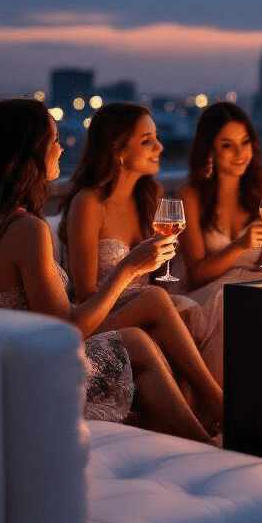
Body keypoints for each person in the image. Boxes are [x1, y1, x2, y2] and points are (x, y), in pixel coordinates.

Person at [0, 98, 221, 442]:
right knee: (142, 329)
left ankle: (203, 430)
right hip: (36, 374)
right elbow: (66, 331)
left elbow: (53, 319)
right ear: (30, 152)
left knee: (148, 318)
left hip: (13, 362)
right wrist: (127, 269)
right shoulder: (26, 228)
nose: (61, 149)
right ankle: (209, 437)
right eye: (54, 141)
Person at [58, 102, 214, 367]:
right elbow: (85, 294)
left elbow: (157, 278)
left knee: (183, 313)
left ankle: (202, 405)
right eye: (147, 141)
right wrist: (142, 300)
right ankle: (217, 400)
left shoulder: (151, 196)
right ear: (118, 150)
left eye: (157, 138)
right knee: (156, 300)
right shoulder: (89, 203)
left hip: (145, 308)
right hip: (100, 316)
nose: (160, 147)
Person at [175, 102, 262, 380]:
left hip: (248, 288)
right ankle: (219, 409)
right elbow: (196, 275)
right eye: (227, 145)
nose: (239, 154)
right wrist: (240, 245)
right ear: (209, 149)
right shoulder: (191, 194)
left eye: (245, 143)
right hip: (205, 294)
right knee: (232, 302)